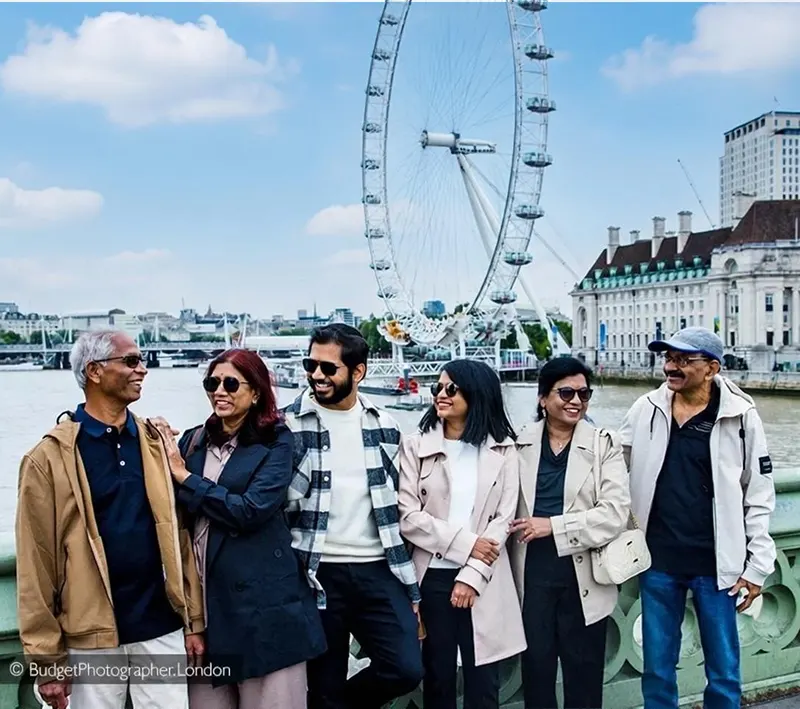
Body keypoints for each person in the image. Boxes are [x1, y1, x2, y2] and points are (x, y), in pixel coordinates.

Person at [15, 329, 205, 709]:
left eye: (143, 360)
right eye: (131, 361)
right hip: (89, 635)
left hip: (161, 626)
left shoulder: (156, 443)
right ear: (95, 372)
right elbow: (35, 564)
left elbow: (180, 536)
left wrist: (194, 622)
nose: (143, 370)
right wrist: (47, 660)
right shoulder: (48, 459)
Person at [151, 349, 327, 709]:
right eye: (212, 383)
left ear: (257, 392)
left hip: (265, 613)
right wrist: (153, 438)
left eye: (231, 383)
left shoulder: (278, 441)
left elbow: (250, 510)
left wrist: (185, 477)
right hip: (207, 608)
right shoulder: (193, 441)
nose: (220, 391)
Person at [619, 327, 776, 709]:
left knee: (723, 671)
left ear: (711, 368)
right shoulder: (645, 408)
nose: (671, 367)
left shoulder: (741, 416)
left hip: (717, 563)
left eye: (683, 360)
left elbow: (758, 493)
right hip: (658, 561)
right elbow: (612, 463)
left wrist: (758, 566)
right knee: (657, 667)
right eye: (668, 358)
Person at [282, 323, 423, 709]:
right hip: (315, 571)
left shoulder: (387, 426)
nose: (316, 375)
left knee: (406, 669)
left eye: (329, 369)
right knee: (322, 684)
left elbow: (398, 503)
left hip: (379, 569)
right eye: (311, 365)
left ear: (357, 372)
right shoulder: (285, 426)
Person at [397, 360, 526, 709]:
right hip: (431, 577)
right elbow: (407, 517)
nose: (441, 394)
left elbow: (503, 520)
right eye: (437, 387)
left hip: (484, 578)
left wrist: (470, 576)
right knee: (437, 678)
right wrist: (468, 544)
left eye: (451, 388)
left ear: (477, 394)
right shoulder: (414, 446)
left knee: (484, 681)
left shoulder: (504, 449)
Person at [509, 357, 630, 709]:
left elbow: (614, 515)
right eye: (565, 393)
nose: (576, 401)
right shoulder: (516, 442)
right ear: (542, 397)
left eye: (583, 393)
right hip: (530, 578)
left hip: (585, 577)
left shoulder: (604, 444)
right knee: (536, 674)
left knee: (585, 677)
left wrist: (554, 525)